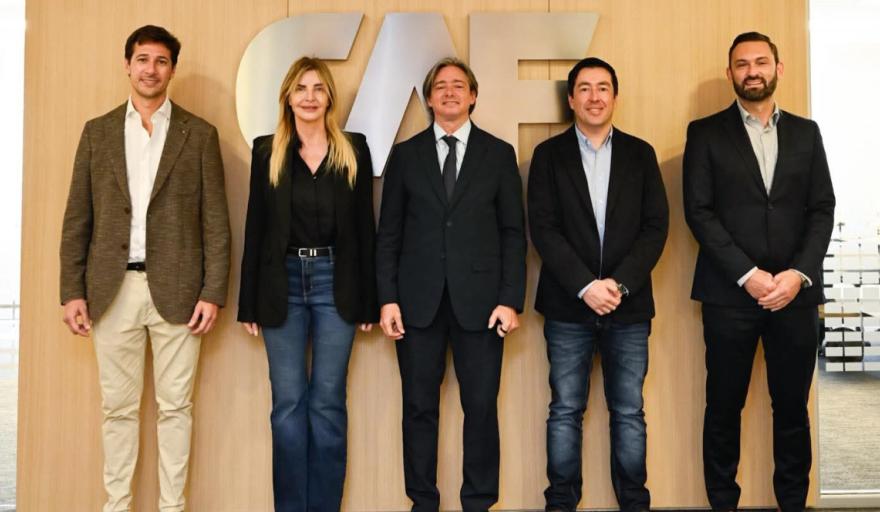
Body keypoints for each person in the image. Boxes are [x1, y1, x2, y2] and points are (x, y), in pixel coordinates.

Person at [59, 25, 230, 512]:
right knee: (117, 409)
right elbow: (77, 219)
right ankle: (117, 505)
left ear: (172, 69)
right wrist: (72, 290)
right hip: (111, 290)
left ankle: (172, 507)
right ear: (127, 65)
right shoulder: (98, 133)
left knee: (176, 408)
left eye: (160, 61)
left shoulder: (200, 135)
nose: (150, 69)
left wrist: (213, 292)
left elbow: (216, 223)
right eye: (142, 59)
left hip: (181, 290)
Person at [683, 32, 835, 511]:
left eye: (761, 62)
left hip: (795, 296)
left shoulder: (807, 133)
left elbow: (822, 209)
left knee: (792, 409)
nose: (752, 71)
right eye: (742, 63)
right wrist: (748, 274)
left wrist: (798, 274)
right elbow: (699, 211)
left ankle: (793, 502)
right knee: (723, 408)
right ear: (730, 73)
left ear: (778, 69)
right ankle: (722, 503)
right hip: (730, 296)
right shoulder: (705, 133)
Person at [375, 57, 526, 511]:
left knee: (480, 407)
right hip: (416, 304)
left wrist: (510, 300)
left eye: (459, 85)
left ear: (473, 96)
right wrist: (387, 299)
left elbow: (513, 234)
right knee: (418, 408)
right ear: (428, 98)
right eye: (440, 86)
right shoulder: (406, 155)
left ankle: (478, 501)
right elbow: (389, 234)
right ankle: (422, 501)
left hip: (482, 304)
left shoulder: (498, 154)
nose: (449, 92)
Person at [528, 57, 668, 512]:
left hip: (629, 308)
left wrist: (619, 285)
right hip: (568, 306)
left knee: (628, 412)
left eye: (603, 87)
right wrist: (585, 285)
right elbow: (543, 228)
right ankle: (561, 503)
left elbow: (655, 228)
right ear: (571, 99)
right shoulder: (548, 156)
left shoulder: (641, 154)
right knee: (565, 410)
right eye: (584, 88)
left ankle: (634, 502)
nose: (594, 97)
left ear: (615, 97)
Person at [237, 56, 377, 512]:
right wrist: (248, 302)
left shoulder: (353, 149)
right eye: (301, 88)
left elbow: (365, 228)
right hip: (282, 285)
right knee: (288, 405)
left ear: (329, 97)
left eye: (318, 88)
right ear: (288, 98)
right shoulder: (267, 152)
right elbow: (256, 227)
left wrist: (370, 300)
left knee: (328, 404)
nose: (310, 97)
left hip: (337, 282)